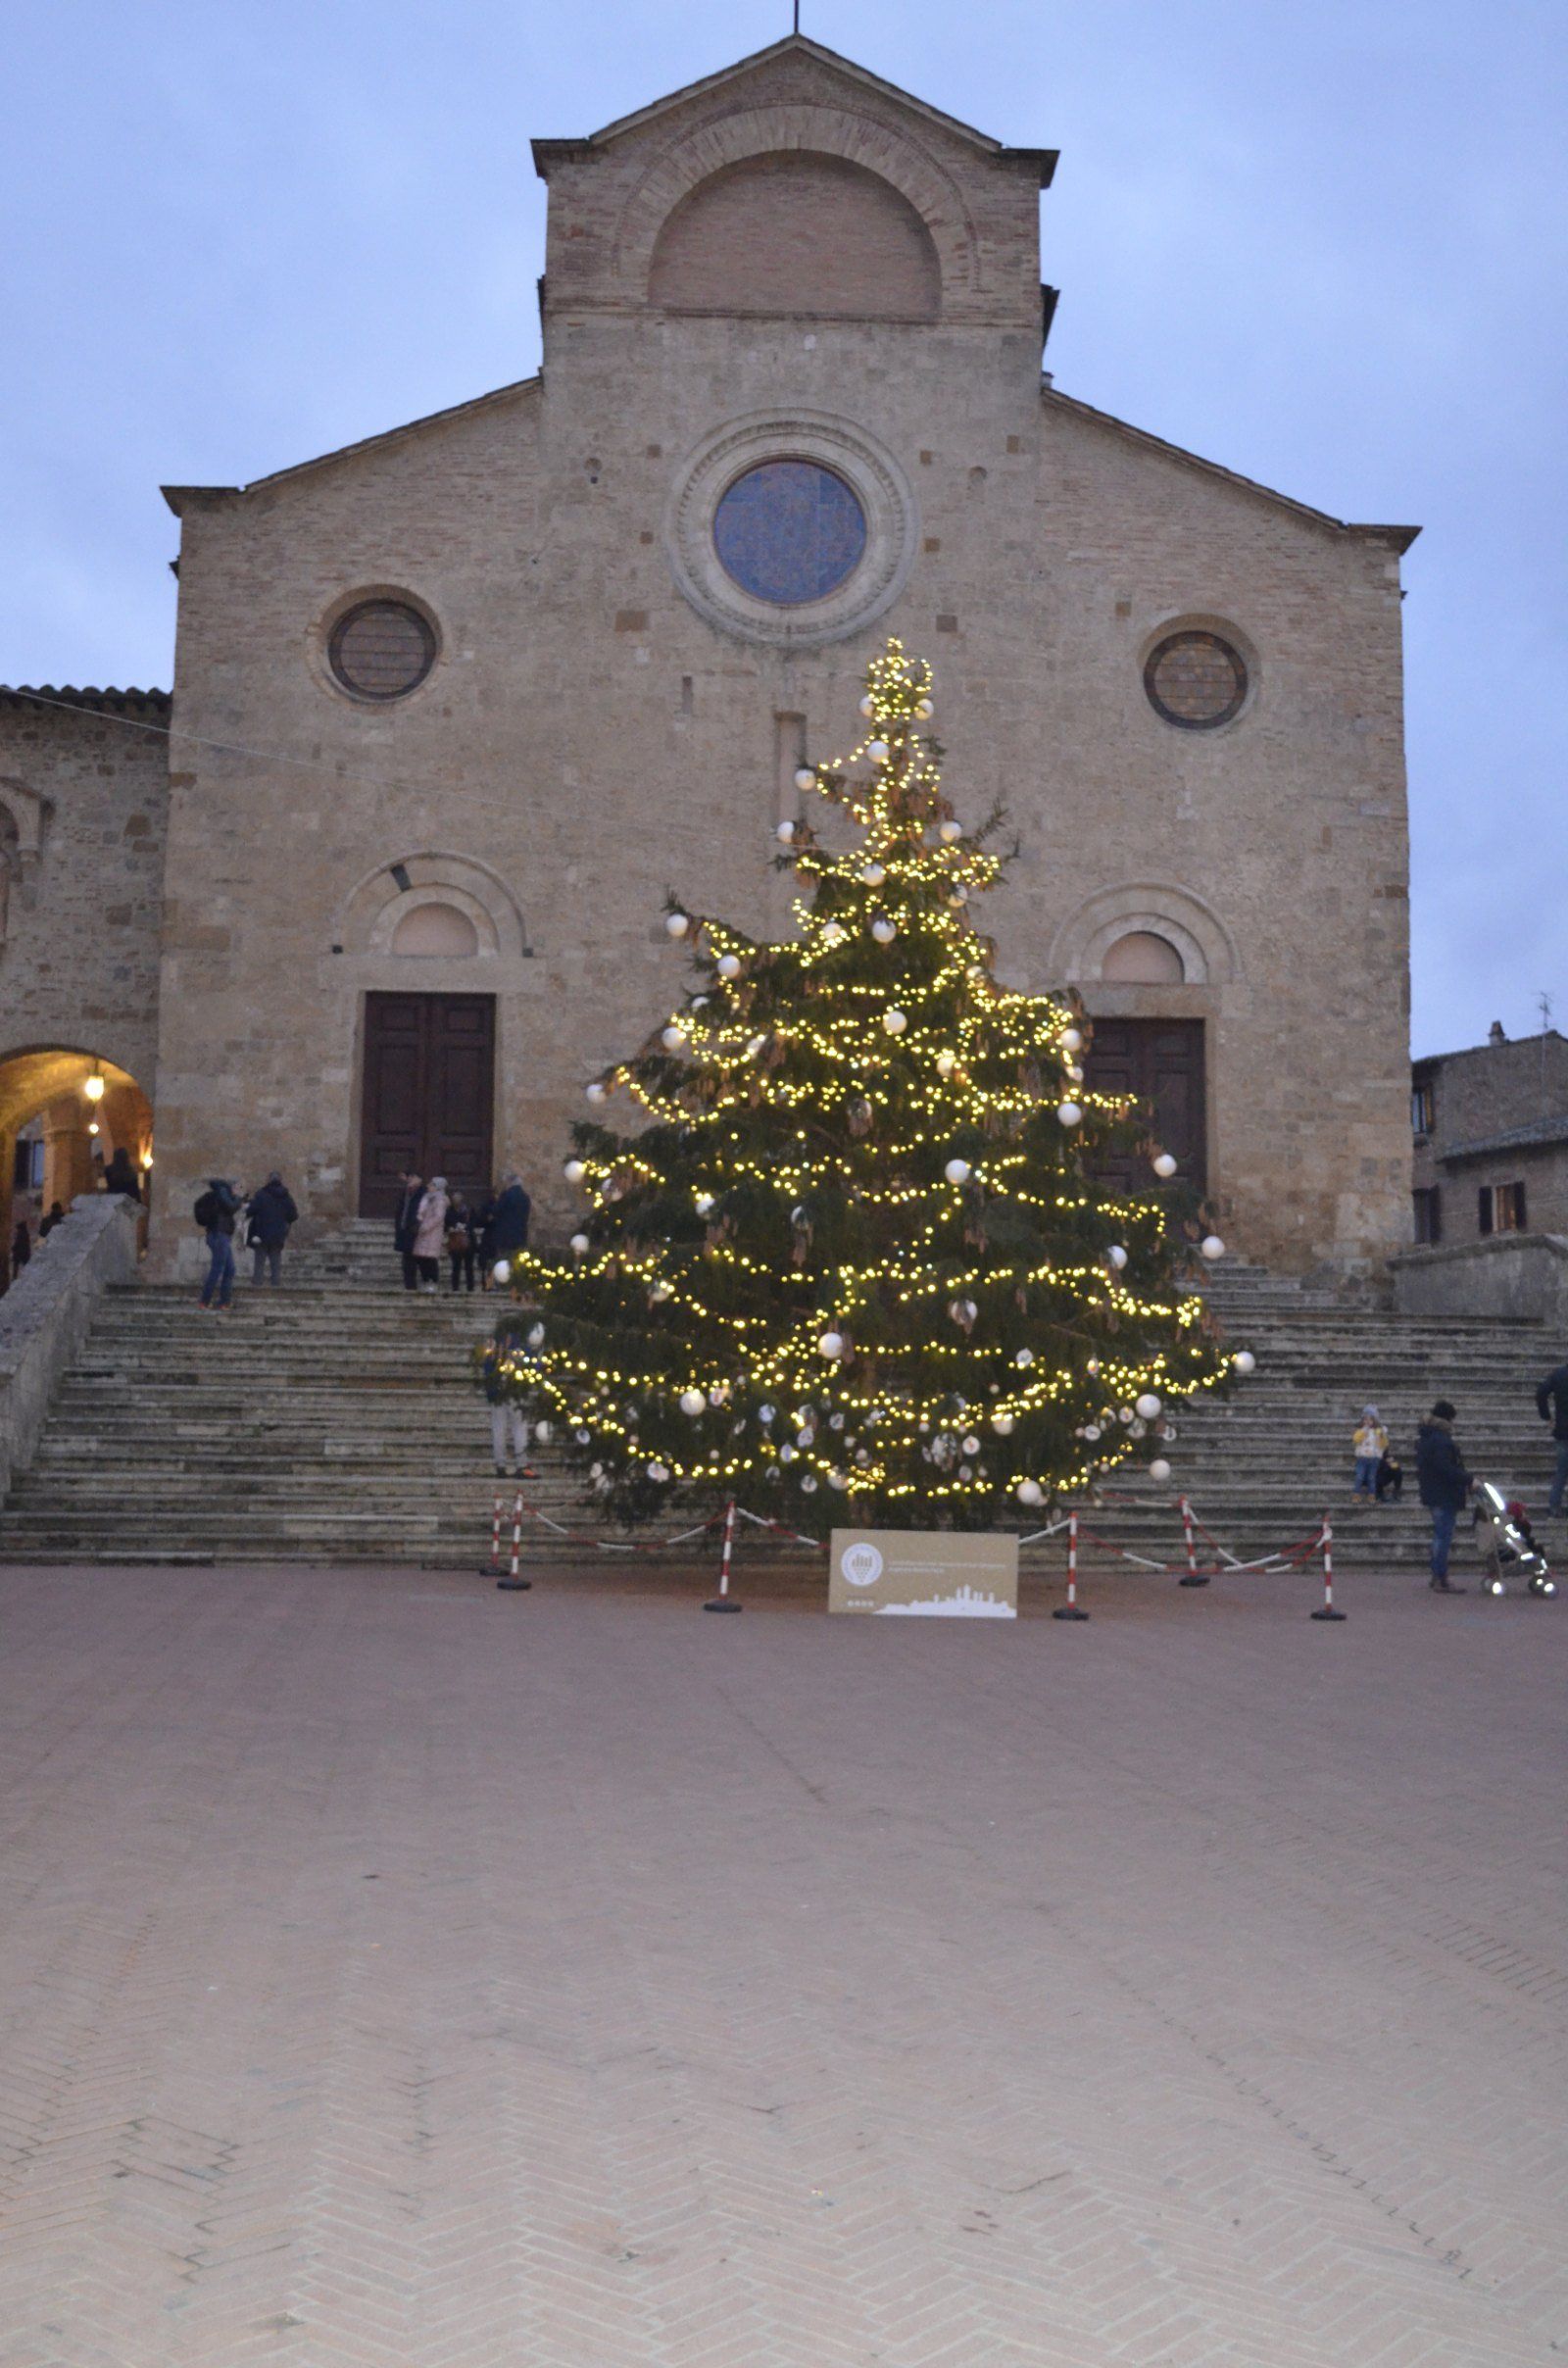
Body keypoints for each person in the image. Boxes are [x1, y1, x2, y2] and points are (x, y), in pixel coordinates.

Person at [476, 1296, 540, 1478]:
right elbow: (531, 1364)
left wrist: (490, 1386)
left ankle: (500, 1465)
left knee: (499, 1427)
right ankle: (521, 1465)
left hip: (497, 1389)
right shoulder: (522, 1343)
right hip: (515, 1389)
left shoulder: (494, 1343)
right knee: (519, 1427)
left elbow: (487, 1365)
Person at [1415, 1398, 1471, 1594]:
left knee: (1441, 1534)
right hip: (1443, 1493)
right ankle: (1440, 1575)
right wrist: (1468, 1479)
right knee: (1443, 1535)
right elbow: (1446, 1468)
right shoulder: (1440, 1440)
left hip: (1434, 1491)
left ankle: (1438, 1574)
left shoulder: (1428, 1436)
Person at [194, 1177, 242, 1310]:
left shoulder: (217, 1195)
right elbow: (232, 1207)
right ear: (230, 1187)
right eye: (237, 1187)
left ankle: (224, 1302)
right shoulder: (222, 1193)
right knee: (218, 1268)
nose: (237, 1191)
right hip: (219, 1235)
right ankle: (204, 1301)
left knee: (229, 1269)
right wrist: (238, 1198)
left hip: (220, 1235)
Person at [246, 1170, 299, 1286]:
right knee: (275, 1261)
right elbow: (294, 1215)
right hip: (278, 1234)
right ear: (280, 1180)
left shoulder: (261, 1194)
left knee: (259, 1261)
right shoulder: (286, 1196)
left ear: (268, 1180)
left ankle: (257, 1286)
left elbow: (250, 1211)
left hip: (261, 1233)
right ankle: (275, 1285)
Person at [1535, 1357, 1568, 1515]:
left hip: (1562, 1429)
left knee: (1562, 1470)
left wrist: (1546, 1416)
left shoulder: (1559, 1374)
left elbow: (1541, 1393)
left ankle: (1554, 1506)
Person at [488, 1171, 532, 1278]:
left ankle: (503, 1283)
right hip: (520, 1233)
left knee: (503, 1261)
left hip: (505, 1234)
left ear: (509, 1182)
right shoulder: (525, 1197)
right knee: (517, 1261)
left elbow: (496, 1210)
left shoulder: (507, 1195)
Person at [412, 1175, 450, 1294]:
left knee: (430, 1259)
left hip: (432, 1233)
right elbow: (421, 1211)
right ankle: (425, 1280)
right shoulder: (427, 1198)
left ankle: (433, 1282)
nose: (429, 1186)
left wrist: (425, 1226)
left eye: (431, 1185)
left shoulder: (440, 1200)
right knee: (421, 1257)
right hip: (423, 1233)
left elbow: (438, 1217)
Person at [393, 1173, 423, 1292]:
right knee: (407, 1259)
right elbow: (400, 1210)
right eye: (409, 1178)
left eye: (413, 1177)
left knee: (419, 1258)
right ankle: (409, 1284)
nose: (410, 1180)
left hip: (416, 1230)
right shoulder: (405, 1194)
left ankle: (424, 1281)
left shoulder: (423, 1194)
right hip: (404, 1229)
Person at [445, 1191, 477, 1293]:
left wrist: (465, 1228)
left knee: (469, 1266)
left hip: (468, 1241)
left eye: (458, 1199)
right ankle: (455, 1287)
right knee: (456, 1266)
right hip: (455, 1241)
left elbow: (474, 1222)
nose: (456, 1202)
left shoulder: (468, 1210)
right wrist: (450, 1228)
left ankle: (470, 1287)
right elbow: (445, 1224)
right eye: (454, 1200)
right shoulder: (449, 1211)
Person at [1351, 1405, 1387, 1498]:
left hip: (1374, 1458)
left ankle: (1372, 1494)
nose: (1368, 1422)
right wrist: (1363, 1431)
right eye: (1365, 1419)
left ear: (1374, 1420)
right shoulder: (1360, 1430)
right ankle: (1356, 1493)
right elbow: (1356, 1439)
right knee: (1359, 1476)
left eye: (1370, 1420)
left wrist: (1382, 1436)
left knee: (1372, 1477)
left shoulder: (1379, 1431)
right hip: (1362, 1457)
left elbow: (1384, 1444)